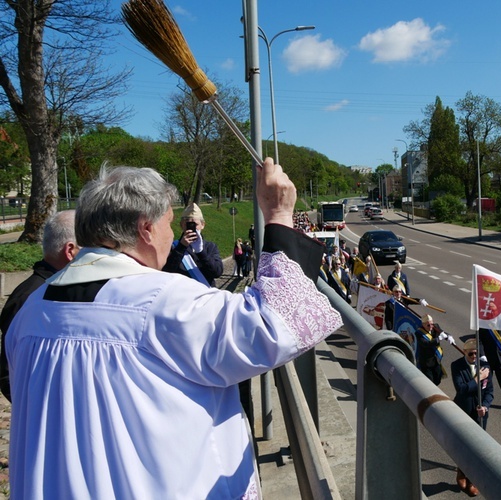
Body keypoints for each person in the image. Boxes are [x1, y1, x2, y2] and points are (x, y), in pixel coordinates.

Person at [4, 160, 342, 499]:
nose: (173, 236)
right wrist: (280, 215)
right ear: (146, 229)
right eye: (169, 222)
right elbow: (276, 324)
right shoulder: (160, 300)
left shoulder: (33, 309)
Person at [0, 210, 79, 402]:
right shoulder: (32, 296)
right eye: (90, 247)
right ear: (70, 251)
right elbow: (10, 373)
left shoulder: (53, 288)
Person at [451, 338, 493, 497]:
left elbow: (490, 391)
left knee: (477, 447)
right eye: (471, 354)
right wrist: (478, 379)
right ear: (464, 352)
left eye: (476, 353)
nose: (474, 356)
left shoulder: (486, 368)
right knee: (464, 444)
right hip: (463, 410)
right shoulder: (457, 366)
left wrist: (486, 406)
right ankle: (461, 471)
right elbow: (461, 389)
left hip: (480, 414)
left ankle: (473, 478)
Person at [163, 202, 223, 287]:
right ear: (181, 225)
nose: (193, 228)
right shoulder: (172, 247)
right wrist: (181, 247)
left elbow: (217, 272)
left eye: (196, 224)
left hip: (206, 296)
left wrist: (201, 252)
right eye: (188, 224)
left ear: (203, 225)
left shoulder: (210, 247)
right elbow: (167, 272)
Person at [478, 328, 501, 408]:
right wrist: (482, 354)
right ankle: (483, 402)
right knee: (487, 382)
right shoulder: (484, 327)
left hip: (500, 359)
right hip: (488, 359)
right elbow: (479, 341)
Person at [416, 314, 454, 386]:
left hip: (436, 359)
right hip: (426, 362)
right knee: (430, 382)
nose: (431, 326)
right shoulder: (419, 333)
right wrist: (438, 339)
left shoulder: (435, 326)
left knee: (437, 379)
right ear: (423, 325)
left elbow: (442, 332)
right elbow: (426, 344)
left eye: (431, 324)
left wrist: (449, 336)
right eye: (428, 325)